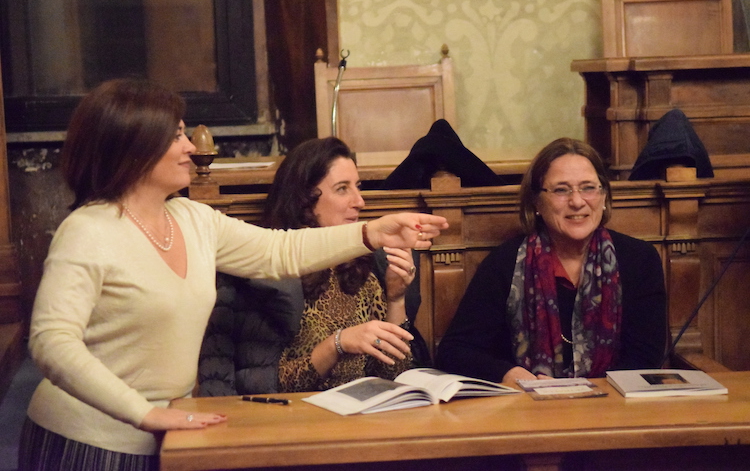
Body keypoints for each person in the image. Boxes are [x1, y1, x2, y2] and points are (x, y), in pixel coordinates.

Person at [18, 78, 447, 471]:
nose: (190, 147)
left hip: (169, 436)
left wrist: (371, 233)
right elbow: (51, 342)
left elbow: (279, 251)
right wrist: (143, 413)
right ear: (135, 145)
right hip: (87, 441)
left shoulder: (192, 218)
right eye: (176, 135)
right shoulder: (88, 230)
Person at [436, 137, 667, 385]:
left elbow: (645, 359)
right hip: (527, 402)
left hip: (612, 402)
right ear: (536, 202)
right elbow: (454, 352)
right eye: (561, 190)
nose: (577, 202)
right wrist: (507, 374)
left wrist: (582, 393)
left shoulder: (639, 260)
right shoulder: (504, 263)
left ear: (603, 197)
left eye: (588, 188)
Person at [263, 137, 422, 392]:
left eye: (357, 187)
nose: (359, 202)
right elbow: (270, 384)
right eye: (342, 189)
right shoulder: (276, 269)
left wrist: (396, 298)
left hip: (358, 409)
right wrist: (337, 344)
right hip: (298, 412)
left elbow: (393, 375)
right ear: (305, 198)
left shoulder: (360, 267)